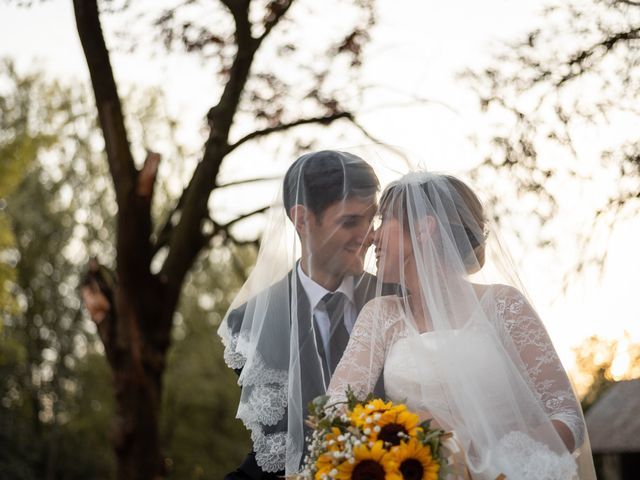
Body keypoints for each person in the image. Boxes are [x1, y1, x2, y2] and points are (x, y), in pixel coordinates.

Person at [326, 172, 597, 479]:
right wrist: (410, 427)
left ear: (423, 228)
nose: (371, 237)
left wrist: (489, 456)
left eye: (383, 220)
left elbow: (567, 417)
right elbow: (337, 409)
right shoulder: (379, 315)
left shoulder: (504, 305)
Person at [218, 150, 388, 479]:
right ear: (302, 220)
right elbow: (276, 452)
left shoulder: (398, 300)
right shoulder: (247, 326)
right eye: (351, 221)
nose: (369, 236)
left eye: (372, 220)